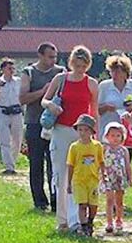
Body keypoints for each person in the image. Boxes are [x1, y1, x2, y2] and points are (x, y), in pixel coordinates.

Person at [42, 45, 98, 232]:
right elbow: (45, 99)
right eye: (77, 65)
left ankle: (77, 221)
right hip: (60, 130)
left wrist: (95, 133)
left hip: (81, 134)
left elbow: (94, 110)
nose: (80, 69)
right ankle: (62, 219)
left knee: (79, 176)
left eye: (83, 66)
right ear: (71, 62)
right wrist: (51, 106)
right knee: (60, 174)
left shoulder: (91, 84)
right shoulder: (60, 79)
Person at [19, 43, 63, 211]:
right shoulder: (28, 73)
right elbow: (22, 99)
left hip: (55, 124)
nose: (53, 60)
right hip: (34, 123)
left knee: (54, 163)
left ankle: (56, 201)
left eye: (55, 57)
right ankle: (39, 201)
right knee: (36, 163)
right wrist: (44, 92)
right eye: (50, 56)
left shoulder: (60, 73)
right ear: (40, 55)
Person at [97, 54, 132, 153]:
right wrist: (106, 107)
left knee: (125, 163)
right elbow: (95, 109)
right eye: (112, 71)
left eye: (117, 71)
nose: (114, 74)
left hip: (128, 133)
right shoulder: (103, 86)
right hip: (108, 132)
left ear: (125, 72)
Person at [66, 113, 103, 236]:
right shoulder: (74, 147)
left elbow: (101, 162)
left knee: (93, 205)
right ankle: (84, 226)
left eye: (86, 130)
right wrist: (69, 182)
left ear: (92, 131)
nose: (82, 133)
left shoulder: (97, 146)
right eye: (80, 129)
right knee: (82, 204)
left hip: (93, 179)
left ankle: (90, 221)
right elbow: (70, 165)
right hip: (79, 180)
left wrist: (104, 175)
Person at [0, 58, 23, 174]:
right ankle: (9, 167)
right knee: (4, 140)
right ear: (3, 69)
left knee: (17, 140)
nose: (12, 70)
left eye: (13, 68)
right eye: (9, 68)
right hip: (3, 112)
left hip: (16, 112)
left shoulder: (19, 81)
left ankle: (12, 162)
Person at [100, 120, 132, 235]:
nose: (115, 138)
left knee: (119, 201)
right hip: (108, 177)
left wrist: (130, 177)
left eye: (118, 135)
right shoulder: (104, 149)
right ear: (107, 136)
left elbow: (127, 165)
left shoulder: (123, 150)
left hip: (120, 177)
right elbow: (101, 162)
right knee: (109, 200)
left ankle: (119, 219)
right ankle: (109, 222)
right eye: (112, 135)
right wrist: (101, 174)